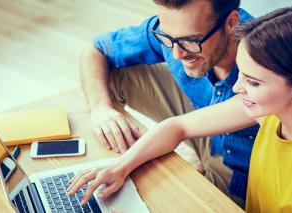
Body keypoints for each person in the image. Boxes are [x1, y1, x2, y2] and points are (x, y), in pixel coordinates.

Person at [69, 6, 292, 212]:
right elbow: (177, 127)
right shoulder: (269, 110)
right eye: (242, 74)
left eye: (253, 81)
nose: (236, 88)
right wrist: (120, 166)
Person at [80, 0, 258, 204]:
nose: (176, 54)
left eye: (191, 40)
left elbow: (177, 128)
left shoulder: (268, 61)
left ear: (231, 22)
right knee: (112, 76)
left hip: (242, 168)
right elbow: (96, 49)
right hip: (203, 126)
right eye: (168, 38)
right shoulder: (175, 31)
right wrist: (100, 109)